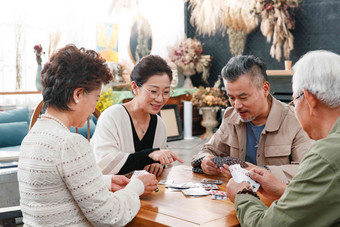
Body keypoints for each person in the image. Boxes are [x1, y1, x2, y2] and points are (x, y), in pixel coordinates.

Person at [17, 45, 158, 226]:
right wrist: (136, 185)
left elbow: (56, 190)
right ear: (78, 94)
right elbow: (109, 216)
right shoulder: (69, 143)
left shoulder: (32, 137)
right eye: (96, 98)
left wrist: (103, 181)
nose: (94, 108)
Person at [227, 50, 340, 226]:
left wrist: (243, 195)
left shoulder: (326, 155)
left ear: (308, 99)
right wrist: (284, 191)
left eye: (294, 100)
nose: (237, 105)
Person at [192, 55, 312, 183]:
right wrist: (205, 161)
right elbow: (206, 151)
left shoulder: (296, 120)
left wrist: (258, 171)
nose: (236, 105)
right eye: (231, 98)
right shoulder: (230, 116)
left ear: (265, 89)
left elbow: (307, 171)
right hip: (236, 197)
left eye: (243, 97)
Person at [91, 55, 183, 177]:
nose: (160, 99)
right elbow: (105, 165)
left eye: (166, 92)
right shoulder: (112, 117)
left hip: (144, 192)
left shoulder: (159, 125)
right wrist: (149, 155)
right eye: (153, 91)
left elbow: (157, 158)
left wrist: (157, 164)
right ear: (135, 87)